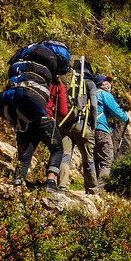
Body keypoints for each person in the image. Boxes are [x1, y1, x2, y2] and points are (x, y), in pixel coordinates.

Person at [57, 58, 100, 193]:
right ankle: (92, 189)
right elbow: (93, 105)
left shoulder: (66, 81)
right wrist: (93, 123)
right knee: (88, 159)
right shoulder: (89, 83)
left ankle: (62, 186)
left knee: (65, 156)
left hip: (64, 124)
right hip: (82, 125)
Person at [93, 74, 128, 188]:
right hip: (102, 129)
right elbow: (116, 111)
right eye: (105, 82)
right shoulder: (104, 94)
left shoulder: (91, 94)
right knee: (106, 161)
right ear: (100, 84)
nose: (108, 84)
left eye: (109, 82)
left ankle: (91, 187)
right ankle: (101, 189)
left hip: (89, 130)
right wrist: (127, 118)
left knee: (93, 160)